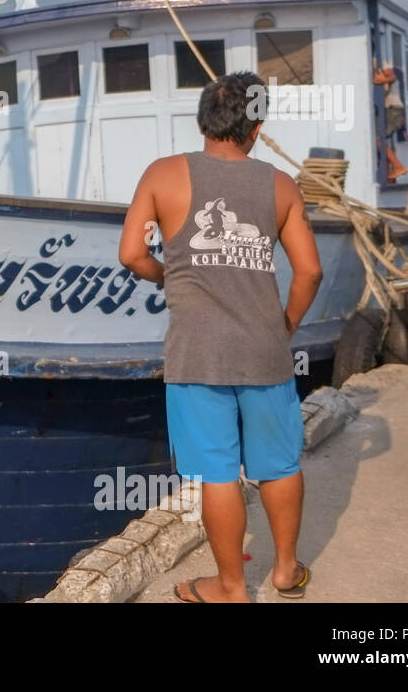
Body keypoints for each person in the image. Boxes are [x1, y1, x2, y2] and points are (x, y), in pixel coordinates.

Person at [118, 71, 324, 603]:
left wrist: (167, 275)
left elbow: (132, 255)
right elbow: (310, 273)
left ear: (204, 119)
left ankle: (231, 587)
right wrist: (284, 326)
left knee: (217, 474)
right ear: (255, 125)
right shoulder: (280, 185)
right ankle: (284, 571)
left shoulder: (163, 175)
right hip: (265, 352)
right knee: (278, 465)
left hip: (196, 353)